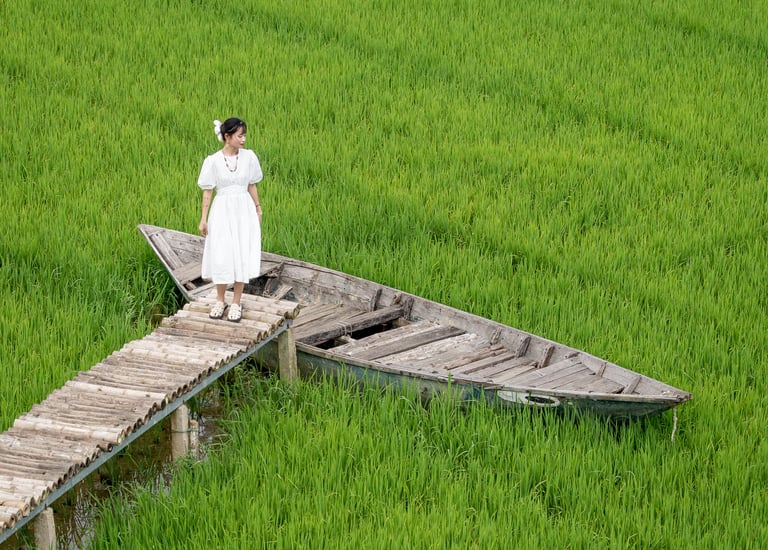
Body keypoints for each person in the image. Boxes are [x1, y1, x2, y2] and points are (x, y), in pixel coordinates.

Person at [197, 117, 263, 322]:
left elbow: (251, 184)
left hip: (243, 210)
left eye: (244, 135)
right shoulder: (213, 161)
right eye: (239, 135)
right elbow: (207, 191)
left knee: (241, 251)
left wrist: (258, 208)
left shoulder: (249, 157)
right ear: (227, 137)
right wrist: (203, 218)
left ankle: (236, 302)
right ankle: (220, 299)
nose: (243, 139)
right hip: (222, 211)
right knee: (222, 252)